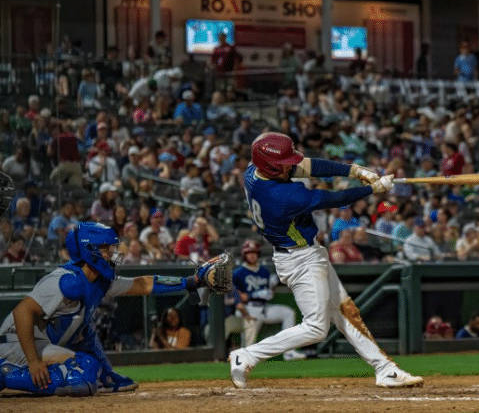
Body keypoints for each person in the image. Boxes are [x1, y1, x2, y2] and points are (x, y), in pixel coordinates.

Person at [228, 133, 422, 388]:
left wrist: (355, 170)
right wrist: (372, 189)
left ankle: (384, 368)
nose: (291, 165)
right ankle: (248, 354)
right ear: (273, 167)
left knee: (344, 311)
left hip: (304, 254)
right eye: (285, 162)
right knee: (316, 328)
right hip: (300, 260)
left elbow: (309, 166)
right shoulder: (283, 196)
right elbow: (333, 199)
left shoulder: (255, 172)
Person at [0, 222, 218, 395]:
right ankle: (5, 375)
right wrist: (34, 362)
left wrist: (189, 282)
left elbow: (143, 284)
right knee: (84, 371)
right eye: (106, 249)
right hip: (15, 345)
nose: (112, 253)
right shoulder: (67, 281)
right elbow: (22, 312)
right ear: (88, 250)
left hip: (37, 344)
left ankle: (104, 375)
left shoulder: (98, 280)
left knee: (85, 336)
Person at [233, 240, 306, 359]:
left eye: (254, 253)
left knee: (288, 313)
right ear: (244, 255)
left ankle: (289, 352)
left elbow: (268, 292)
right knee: (248, 347)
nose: (252, 255)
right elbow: (238, 296)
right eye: (249, 253)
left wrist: (270, 292)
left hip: (264, 308)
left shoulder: (264, 271)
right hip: (248, 308)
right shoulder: (238, 273)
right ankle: (243, 358)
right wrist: (255, 294)